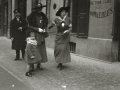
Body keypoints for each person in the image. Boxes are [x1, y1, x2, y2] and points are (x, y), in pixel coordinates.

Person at [27, 3, 48, 70]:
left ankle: (39, 64)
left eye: (40, 8)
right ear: (36, 9)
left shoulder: (43, 16)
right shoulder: (32, 16)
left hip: (41, 36)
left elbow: (44, 25)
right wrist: (37, 29)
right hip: (35, 35)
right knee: (34, 50)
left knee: (41, 51)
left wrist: (44, 29)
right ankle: (32, 65)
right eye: (38, 9)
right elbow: (30, 26)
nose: (39, 10)